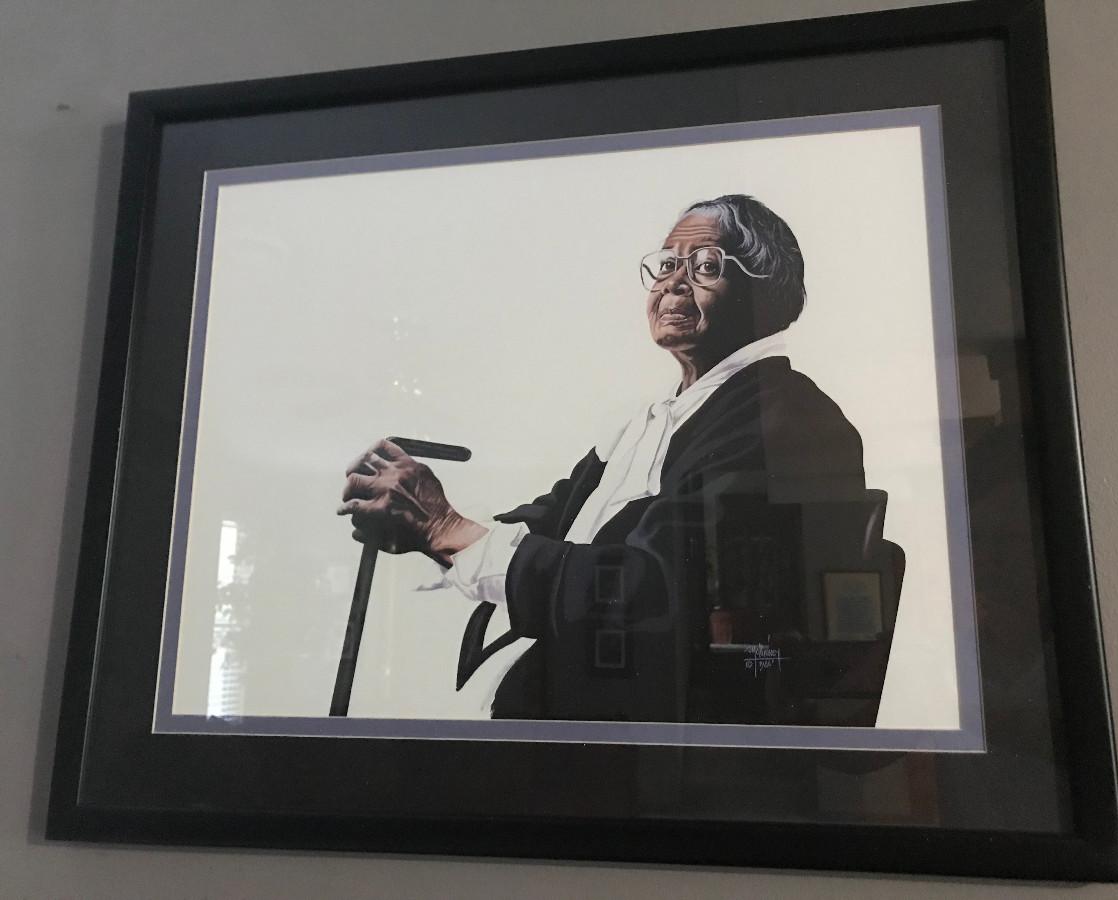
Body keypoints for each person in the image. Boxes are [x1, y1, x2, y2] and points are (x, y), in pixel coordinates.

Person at [338, 194, 903, 726]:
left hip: (653, 748)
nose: (673, 284)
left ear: (764, 295)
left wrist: (446, 528)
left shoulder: (788, 420)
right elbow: (550, 521)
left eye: (705, 266)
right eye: (666, 265)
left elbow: (654, 591)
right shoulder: (659, 418)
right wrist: (422, 525)